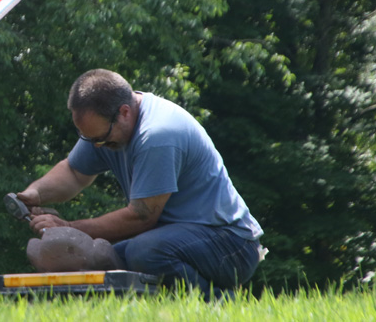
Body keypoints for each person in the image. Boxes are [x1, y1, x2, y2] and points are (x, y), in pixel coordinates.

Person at [17, 68, 264, 300]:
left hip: (232, 244)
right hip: (179, 240)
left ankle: (221, 304)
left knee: (144, 253)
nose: (97, 146)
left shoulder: (158, 135)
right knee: (95, 258)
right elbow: (73, 172)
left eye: (101, 139)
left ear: (124, 111)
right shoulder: (106, 129)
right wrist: (35, 193)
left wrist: (68, 227)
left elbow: (142, 216)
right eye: (89, 139)